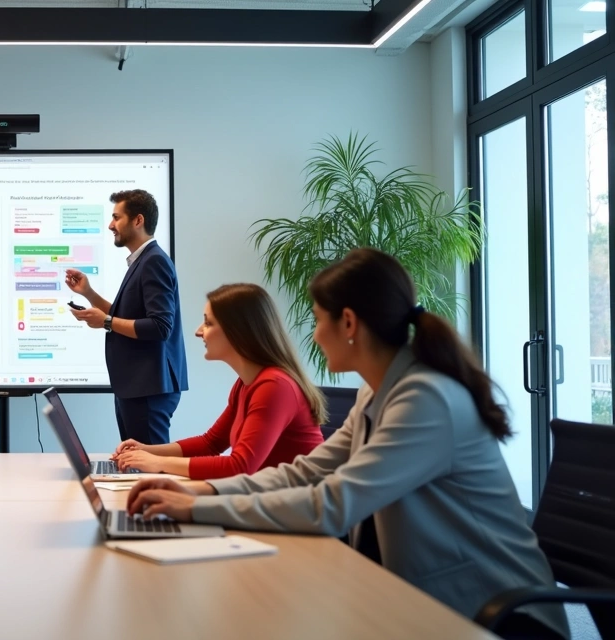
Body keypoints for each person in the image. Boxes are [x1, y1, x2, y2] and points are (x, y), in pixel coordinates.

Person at [126, 248, 568, 640]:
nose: (314, 335)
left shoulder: (426, 400)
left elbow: (331, 504)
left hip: (496, 616)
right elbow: (308, 471)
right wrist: (200, 491)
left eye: (319, 320)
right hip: (419, 596)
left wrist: (194, 507)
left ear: (350, 323)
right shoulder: (377, 393)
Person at [111, 283, 325, 479]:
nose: (199, 331)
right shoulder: (246, 383)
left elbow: (240, 466)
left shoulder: (275, 386)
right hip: (270, 503)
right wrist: (146, 450)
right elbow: (210, 443)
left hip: (297, 514)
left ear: (238, 332)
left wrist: (158, 462)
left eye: (208, 323)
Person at [66, 189, 188, 445]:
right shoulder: (143, 261)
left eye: (116, 217)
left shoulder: (154, 261)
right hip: (138, 388)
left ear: (138, 220)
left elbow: (160, 326)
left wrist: (107, 322)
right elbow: (126, 315)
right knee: (136, 463)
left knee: (148, 468)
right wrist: (88, 293)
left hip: (148, 389)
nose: (110, 225)